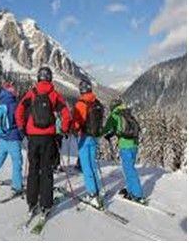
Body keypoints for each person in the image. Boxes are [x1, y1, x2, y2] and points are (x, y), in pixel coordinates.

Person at [15, 66, 71, 217]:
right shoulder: (54, 94)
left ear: (39, 78)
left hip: (33, 136)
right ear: (50, 78)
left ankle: (32, 202)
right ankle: (46, 204)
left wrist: (21, 127)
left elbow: (19, 109)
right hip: (49, 137)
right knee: (47, 170)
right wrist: (64, 129)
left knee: (33, 168)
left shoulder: (32, 93)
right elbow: (66, 113)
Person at [103, 99, 145, 203]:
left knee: (129, 169)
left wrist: (98, 133)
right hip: (134, 144)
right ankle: (131, 190)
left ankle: (137, 194)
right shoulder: (127, 113)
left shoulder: (114, 115)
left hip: (125, 145)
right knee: (129, 168)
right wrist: (112, 134)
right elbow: (122, 128)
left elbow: (105, 129)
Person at [71, 79, 104, 208]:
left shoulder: (81, 103)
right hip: (95, 137)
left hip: (85, 137)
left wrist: (73, 130)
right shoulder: (97, 102)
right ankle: (97, 190)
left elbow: (78, 121)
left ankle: (92, 194)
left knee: (86, 166)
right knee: (93, 164)